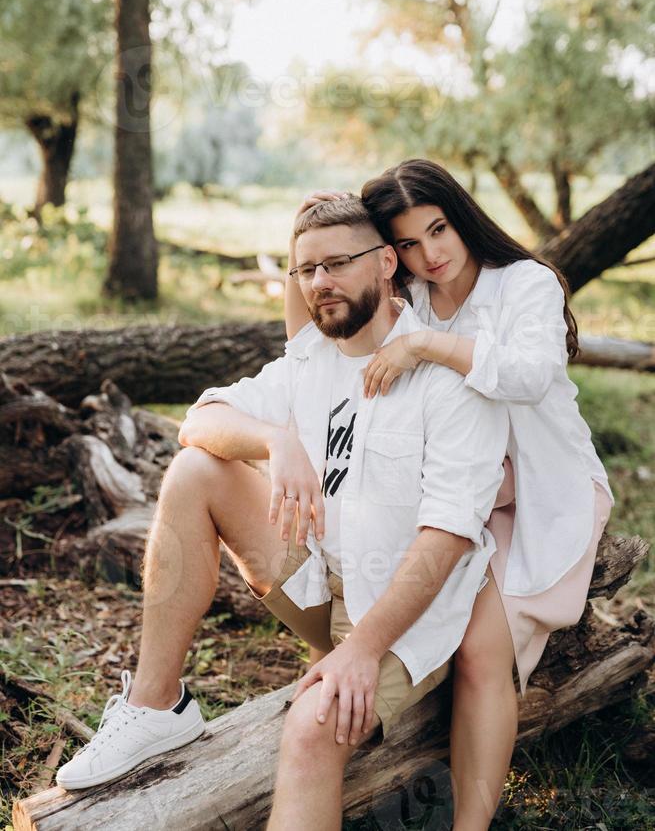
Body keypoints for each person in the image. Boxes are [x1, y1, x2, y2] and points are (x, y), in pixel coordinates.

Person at [56, 194, 510, 830]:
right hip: (324, 576)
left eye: (337, 264)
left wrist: (362, 650)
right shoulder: (311, 360)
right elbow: (201, 420)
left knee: (308, 733)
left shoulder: (446, 372)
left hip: (411, 618)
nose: (320, 283)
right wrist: (277, 441)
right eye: (306, 270)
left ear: (385, 263)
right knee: (196, 469)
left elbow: (447, 537)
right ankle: (157, 708)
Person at [284, 159, 614, 831]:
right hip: (459, 483)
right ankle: (355, 664)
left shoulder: (524, 283)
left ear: (460, 216)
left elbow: (528, 373)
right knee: (409, 583)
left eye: (437, 230)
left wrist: (428, 346)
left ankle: (470, 822)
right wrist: (305, 242)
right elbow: (311, 337)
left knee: (478, 644)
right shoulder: (409, 288)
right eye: (406, 242)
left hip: (538, 487)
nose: (428, 254)